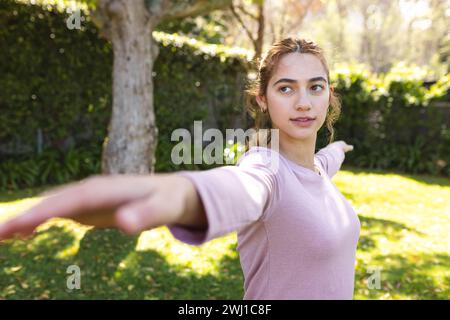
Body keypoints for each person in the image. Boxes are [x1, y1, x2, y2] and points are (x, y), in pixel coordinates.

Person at [0, 37, 359, 299]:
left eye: (315, 87)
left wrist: (340, 149)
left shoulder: (316, 168)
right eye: (286, 88)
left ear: (329, 94)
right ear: (263, 98)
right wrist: (182, 195)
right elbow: (241, 188)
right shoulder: (266, 168)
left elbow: (326, 161)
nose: (303, 102)